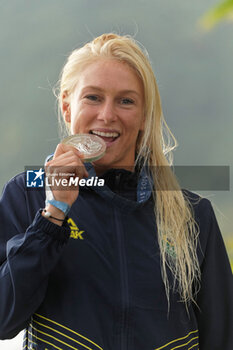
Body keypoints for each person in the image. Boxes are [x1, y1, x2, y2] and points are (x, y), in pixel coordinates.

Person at [0, 33, 232, 350]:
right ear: (67, 107)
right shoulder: (27, 194)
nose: (107, 115)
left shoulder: (193, 215)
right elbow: (3, 319)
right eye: (93, 97)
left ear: (143, 116)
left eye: (126, 101)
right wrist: (53, 216)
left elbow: (222, 338)